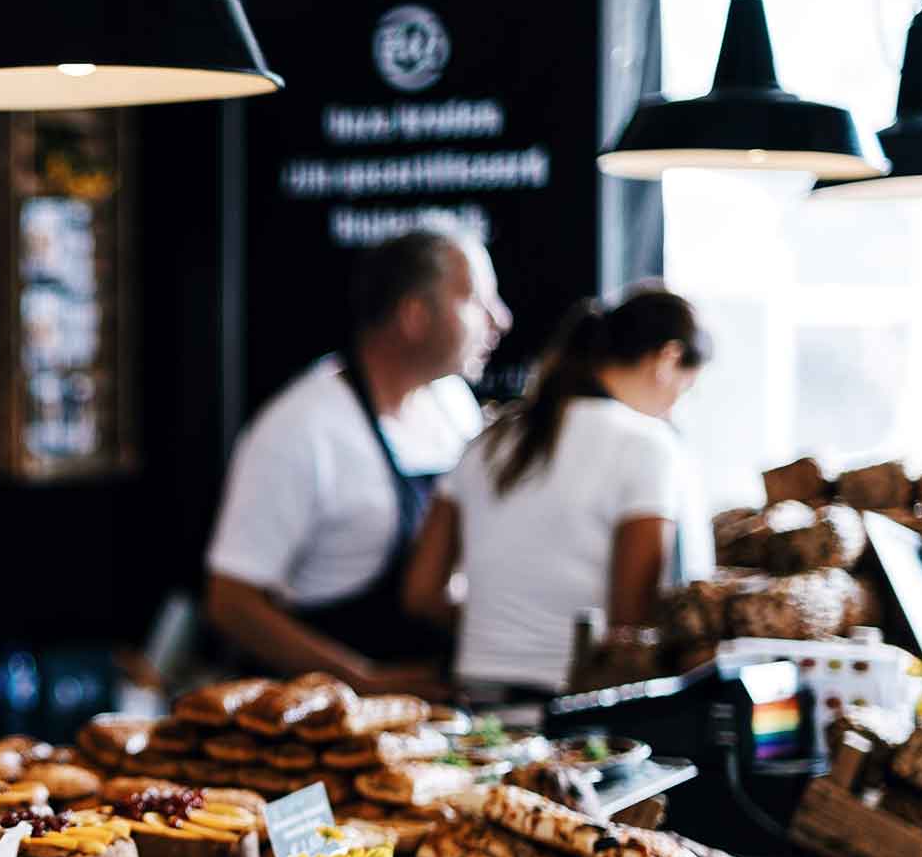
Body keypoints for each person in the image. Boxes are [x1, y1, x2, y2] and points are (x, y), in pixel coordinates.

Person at [205, 228, 511, 697]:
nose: (500, 320)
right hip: (322, 720)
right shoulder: (300, 429)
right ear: (414, 315)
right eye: (476, 300)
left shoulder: (452, 403)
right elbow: (231, 603)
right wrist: (362, 681)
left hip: (435, 705)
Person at [401, 287, 711, 699]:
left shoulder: (489, 440)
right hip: (577, 714)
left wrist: (503, 627)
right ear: (668, 359)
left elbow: (420, 594)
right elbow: (630, 627)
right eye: (685, 390)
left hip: (477, 705)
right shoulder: (649, 446)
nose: (674, 407)